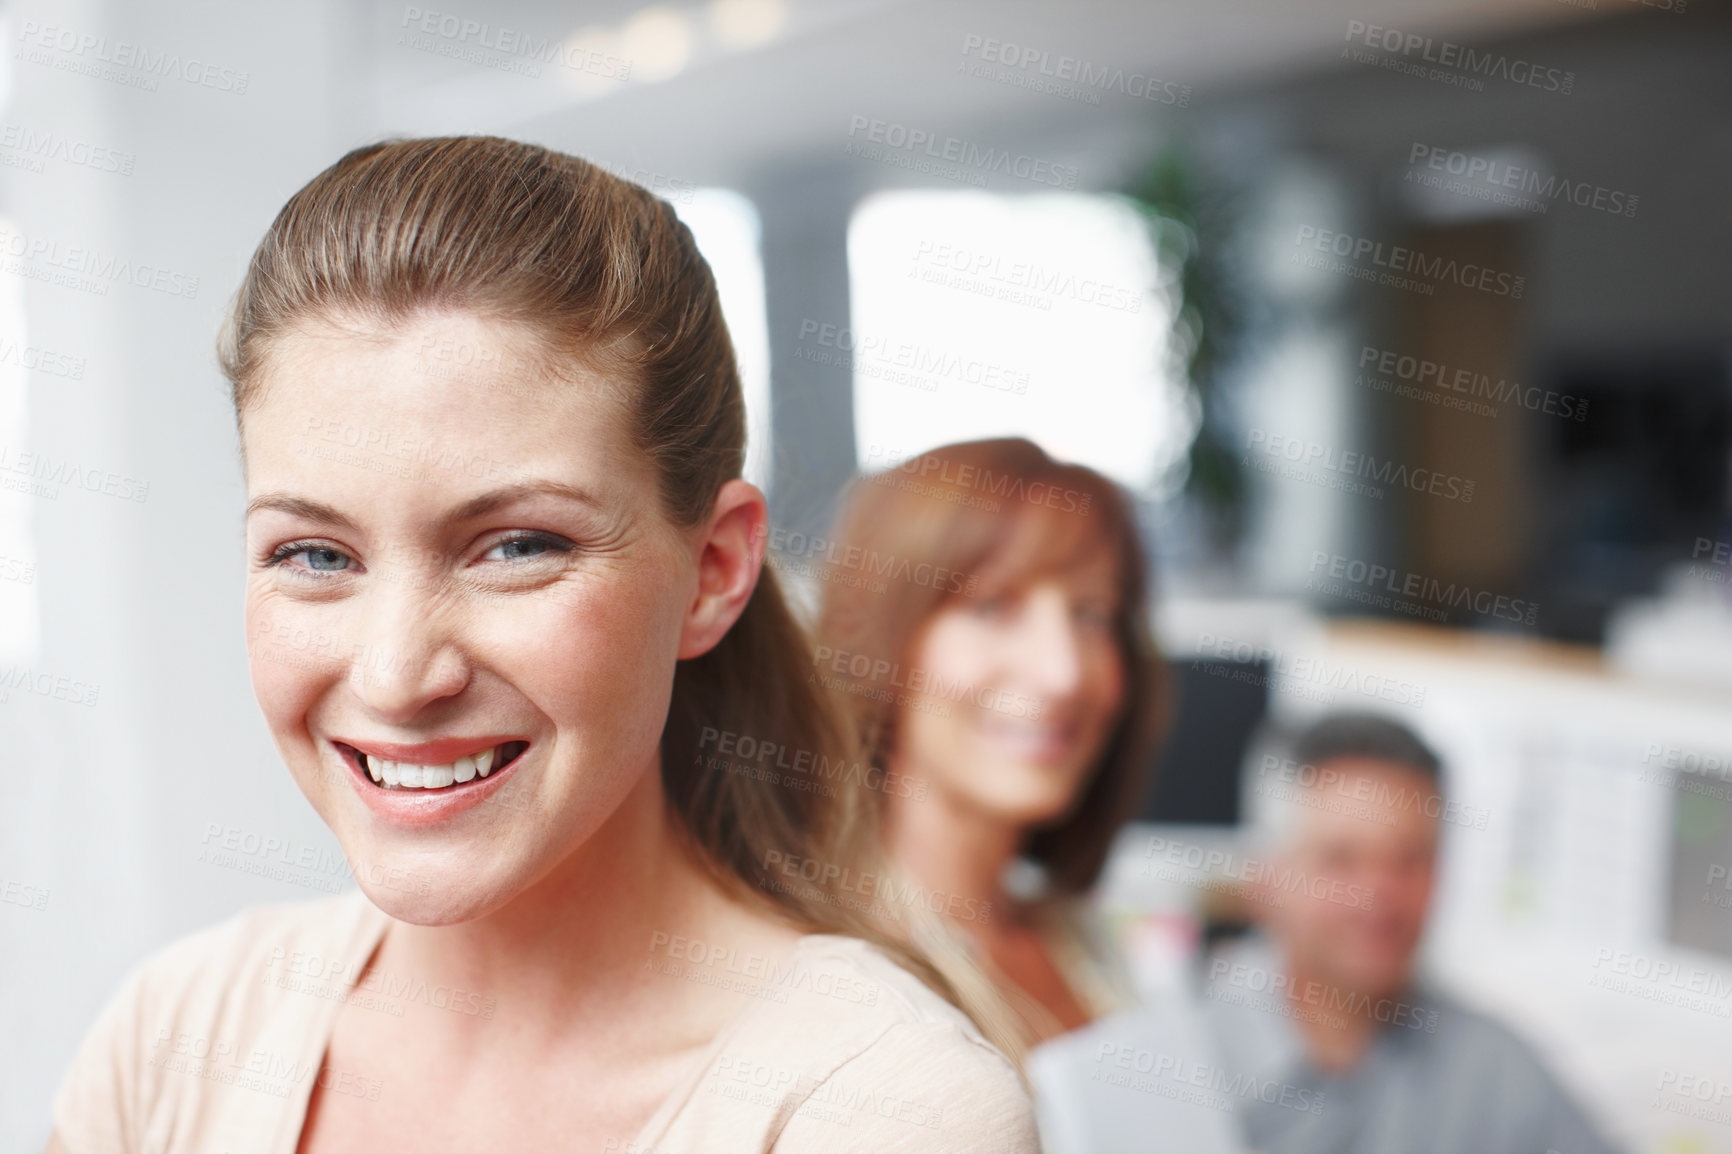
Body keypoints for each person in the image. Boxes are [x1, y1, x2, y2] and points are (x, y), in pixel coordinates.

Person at [45, 137, 1037, 1153]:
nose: (395, 673)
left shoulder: (883, 1111)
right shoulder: (172, 1039)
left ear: (714, 572)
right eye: (315, 553)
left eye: (518, 545)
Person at [811, 438, 1169, 1048]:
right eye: (993, 606)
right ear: (880, 640)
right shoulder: (832, 974)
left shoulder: (1074, 934)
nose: (1064, 673)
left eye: (1092, 614)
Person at [1200, 711, 1625, 1154]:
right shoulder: (1172, 1063)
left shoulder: (1500, 1072)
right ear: (1266, 878)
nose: (1378, 895)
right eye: (1340, 859)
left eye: (1410, 859)